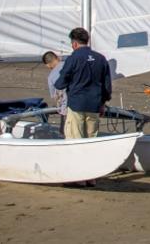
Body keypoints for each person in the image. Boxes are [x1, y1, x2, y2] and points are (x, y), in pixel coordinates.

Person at [53, 27, 111, 185]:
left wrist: (60, 84)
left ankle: (77, 177)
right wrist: (103, 103)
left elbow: (61, 81)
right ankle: (90, 178)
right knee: (90, 140)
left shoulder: (74, 58)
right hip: (94, 104)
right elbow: (107, 84)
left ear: (74, 43)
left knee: (75, 139)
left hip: (77, 104)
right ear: (87, 41)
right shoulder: (101, 58)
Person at [42, 51, 67, 128]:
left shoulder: (51, 77)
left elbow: (55, 97)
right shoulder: (70, 64)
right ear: (57, 57)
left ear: (47, 65)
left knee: (65, 133)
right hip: (85, 103)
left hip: (67, 108)